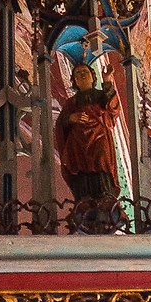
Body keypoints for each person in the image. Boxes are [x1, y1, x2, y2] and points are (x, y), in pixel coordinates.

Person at [54, 59, 121, 211]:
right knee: (80, 167)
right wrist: (71, 118)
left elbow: (113, 110)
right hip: (77, 143)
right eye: (77, 74)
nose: (81, 75)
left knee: (101, 161)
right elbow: (60, 124)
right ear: (75, 81)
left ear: (93, 76)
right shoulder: (72, 102)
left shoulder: (101, 95)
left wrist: (107, 82)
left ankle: (106, 196)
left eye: (85, 72)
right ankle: (83, 198)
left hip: (99, 137)